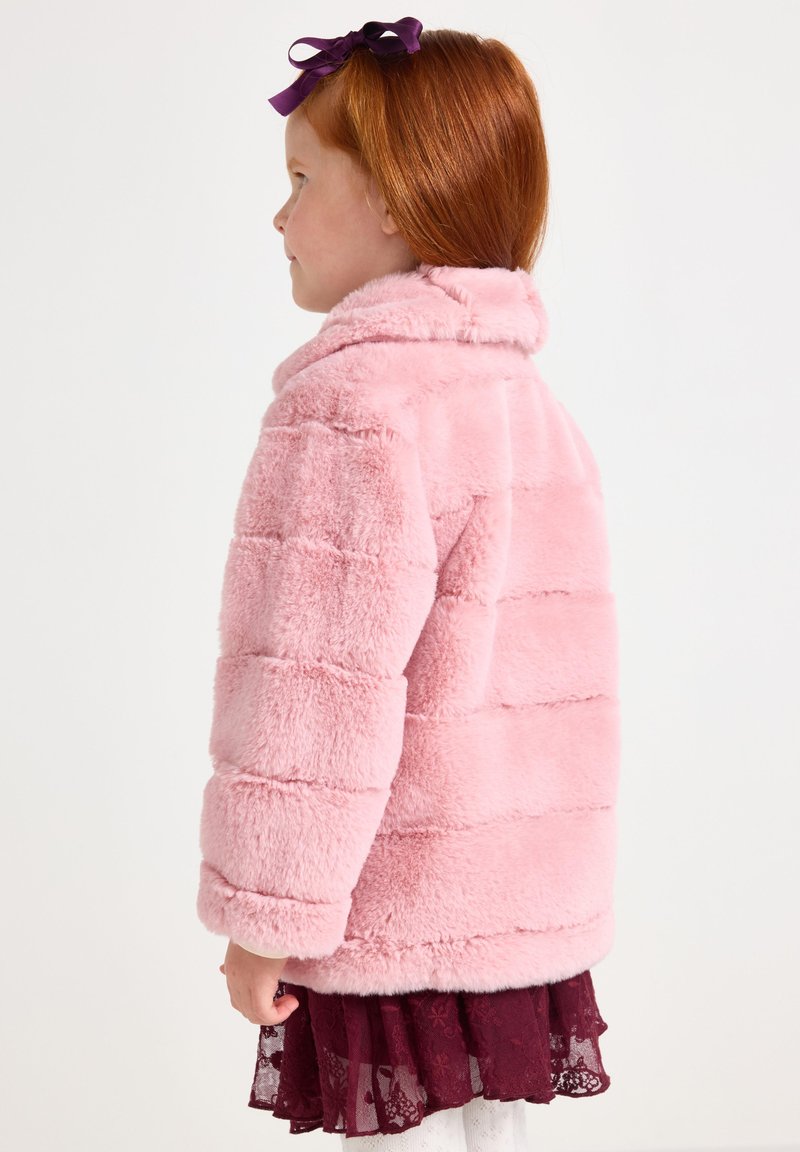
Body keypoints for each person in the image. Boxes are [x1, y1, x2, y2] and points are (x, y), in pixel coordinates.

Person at [196, 17, 620, 1150]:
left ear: (393, 197)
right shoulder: (526, 403)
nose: (278, 217)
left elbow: (315, 689)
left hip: (388, 912)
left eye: (300, 180)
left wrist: (265, 913)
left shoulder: (351, 405)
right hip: (518, 909)